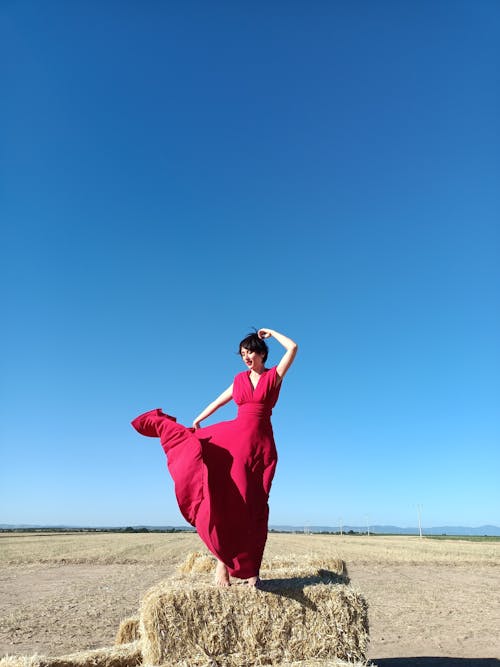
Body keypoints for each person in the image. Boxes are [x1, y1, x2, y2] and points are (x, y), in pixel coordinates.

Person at [131, 327, 297, 588]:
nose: (245, 357)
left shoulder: (274, 377)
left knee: (255, 505)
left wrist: (271, 333)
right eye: (242, 353)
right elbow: (219, 402)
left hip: (260, 448)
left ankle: (252, 570)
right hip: (235, 443)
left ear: (261, 353)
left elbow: (293, 348)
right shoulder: (239, 380)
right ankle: (223, 564)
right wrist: (199, 419)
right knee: (228, 499)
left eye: (249, 351)